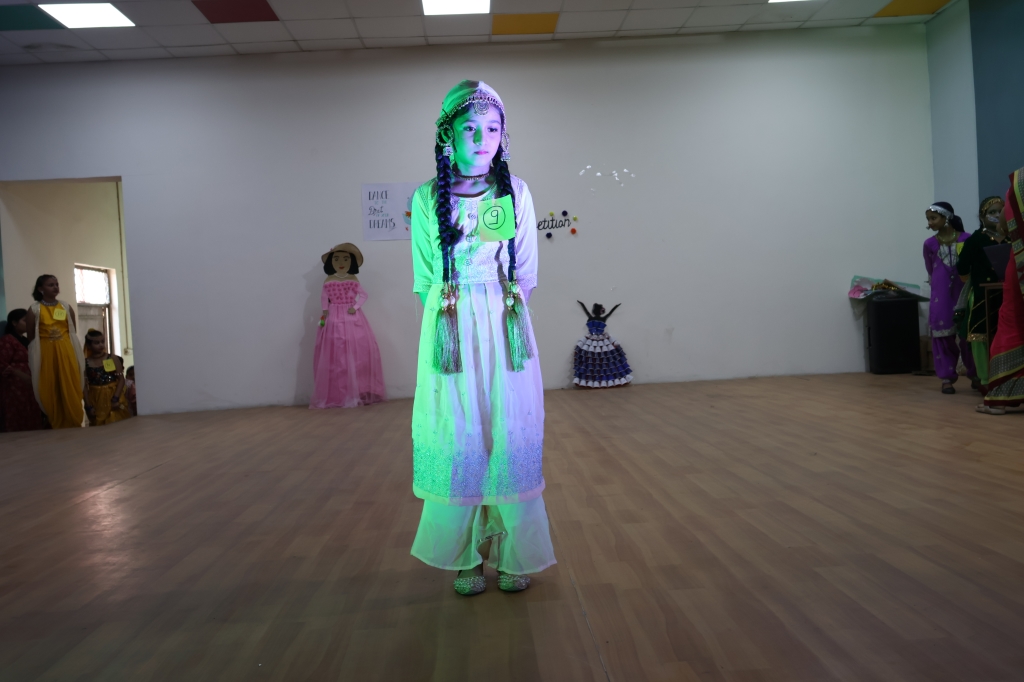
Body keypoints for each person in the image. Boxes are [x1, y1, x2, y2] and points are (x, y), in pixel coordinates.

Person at [409, 81, 555, 596]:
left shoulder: (514, 192)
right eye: (470, 128)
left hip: (504, 321)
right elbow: (425, 277)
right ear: (448, 135)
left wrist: (498, 316)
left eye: (492, 129)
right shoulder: (427, 197)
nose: (482, 139)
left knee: (506, 429)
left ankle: (515, 552)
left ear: (503, 136)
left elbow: (525, 273)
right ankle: (464, 558)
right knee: (460, 432)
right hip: (449, 326)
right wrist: (451, 325)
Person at [310, 243, 387, 408]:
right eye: (336, 259)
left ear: (351, 262)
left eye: (345, 259)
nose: (341, 262)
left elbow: (364, 295)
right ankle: (339, 392)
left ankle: (359, 389)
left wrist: (355, 307)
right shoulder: (329, 280)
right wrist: (325, 311)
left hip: (351, 316)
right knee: (336, 352)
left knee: (356, 350)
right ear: (331, 262)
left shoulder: (353, 279)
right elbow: (324, 298)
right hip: (333, 316)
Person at [978, 171, 1024, 415]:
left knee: (1012, 323)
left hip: (1020, 264)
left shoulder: (1019, 185)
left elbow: (1004, 225)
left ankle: (999, 398)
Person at [923, 202, 975, 393]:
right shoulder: (929, 244)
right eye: (928, 219)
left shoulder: (967, 239)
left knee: (969, 335)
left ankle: (976, 375)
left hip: (964, 291)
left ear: (946, 218)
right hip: (941, 294)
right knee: (942, 334)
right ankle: (946, 378)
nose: (930, 223)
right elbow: (931, 269)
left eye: (933, 218)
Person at [956, 196, 1006, 389]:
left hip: (1007, 295)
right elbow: (962, 267)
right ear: (982, 217)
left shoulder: (1012, 237)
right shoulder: (975, 239)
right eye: (992, 212)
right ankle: (985, 379)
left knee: (1005, 334)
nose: (997, 215)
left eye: (1000, 211)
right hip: (981, 296)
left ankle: (1005, 377)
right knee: (980, 336)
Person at [24, 274, 86, 428]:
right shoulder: (34, 309)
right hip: (46, 351)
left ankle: (73, 421)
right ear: (41, 289)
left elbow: (72, 332)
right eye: (50, 285)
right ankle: (56, 421)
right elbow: (32, 338)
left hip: (65, 349)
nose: (55, 287)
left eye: (56, 284)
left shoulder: (65, 306)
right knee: (50, 384)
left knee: (70, 382)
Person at [0, 309, 44, 432]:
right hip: (14, 385)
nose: (28, 324)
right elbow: (2, 362)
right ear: (14, 322)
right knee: (16, 414)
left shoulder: (26, 340)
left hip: (29, 385)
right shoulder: (7, 340)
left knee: (31, 414)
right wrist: (21, 375)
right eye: (25, 321)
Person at [573, 301, 633, 388]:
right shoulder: (602, 318)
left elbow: (587, 311)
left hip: (593, 341)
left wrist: (582, 304)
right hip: (599, 341)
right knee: (605, 358)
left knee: (593, 358)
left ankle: (595, 380)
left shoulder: (592, 317)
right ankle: (597, 380)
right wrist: (615, 306)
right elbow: (609, 313)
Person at [83, 329, 132, 426]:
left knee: (118, 423)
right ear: (88, 345)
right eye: (97, 343)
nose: (101, 345)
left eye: (102, 342)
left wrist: (116, 398)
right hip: (96, 398)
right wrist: (88, 406)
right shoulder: (85, 362)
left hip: (113, 394)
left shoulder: (112, 358)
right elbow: (84, 385)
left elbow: (121, 379)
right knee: (100, 425)